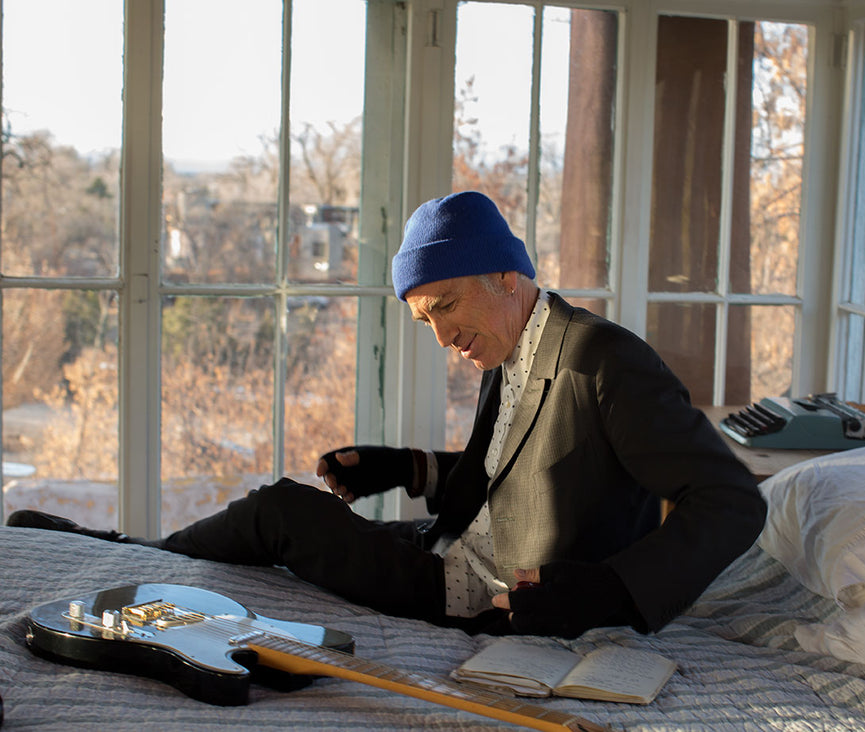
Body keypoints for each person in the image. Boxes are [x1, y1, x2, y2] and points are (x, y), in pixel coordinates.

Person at [8, 191, 766, 639]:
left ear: (507, 275)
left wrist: (609, 594)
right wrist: (398, 468)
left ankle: (134, 555)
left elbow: (732, 504)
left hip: (487, 595)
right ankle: (141, 552)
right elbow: (511, 476)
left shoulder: (603, 361)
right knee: (282, 516)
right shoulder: (520, 346)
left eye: (445, 308)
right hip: (445, 551)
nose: (442, 337)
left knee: (282, 513)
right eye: (423, 320)